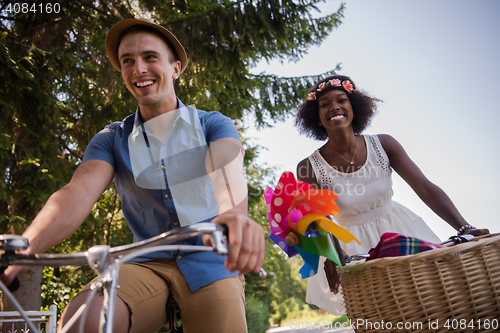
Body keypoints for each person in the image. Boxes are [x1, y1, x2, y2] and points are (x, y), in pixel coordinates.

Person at [1, 18, 264, 333]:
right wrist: (22, 249)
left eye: (150, 57)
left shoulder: (212, 124)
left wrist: (234, 216)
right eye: (128, 61)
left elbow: (226, 169)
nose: (138, 68)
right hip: (143, 265)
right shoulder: (111, 139)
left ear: (176, 68)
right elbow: (77, 193)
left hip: (213, 262)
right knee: (84, 320)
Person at [294, 74, 489, 313]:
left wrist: (464, 227)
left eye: (341, 100)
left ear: (354, 107)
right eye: (324, 104)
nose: (334, 106)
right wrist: (333, 255)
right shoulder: (308, 167)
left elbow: (424, 187)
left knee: (435, 306)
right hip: (352, 250)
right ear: (318, 118)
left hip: (401, 232)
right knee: (381, 317)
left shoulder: (384, 144)